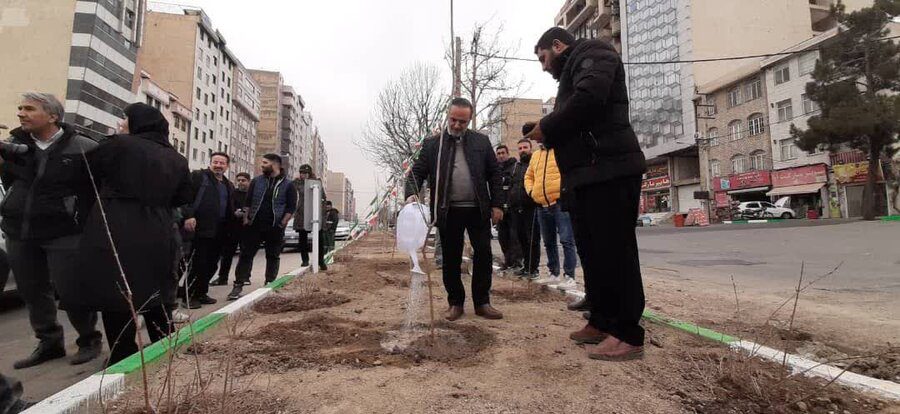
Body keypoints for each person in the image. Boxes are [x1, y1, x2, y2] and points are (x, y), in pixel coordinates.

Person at [526, 27, 648, 361]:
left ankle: (628, 333)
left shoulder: (594, 52)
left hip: (611, 169)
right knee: (593, 252)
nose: (543, 66)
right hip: (587, 174)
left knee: (615, 251)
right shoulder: (574, 68)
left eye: (543, 57)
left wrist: (547, 126)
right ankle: (602, 320)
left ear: (557, 45)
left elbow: (591, 98)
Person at [76, 102, 193, 364]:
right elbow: (183, 196)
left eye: (125, 119)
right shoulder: (177, 158)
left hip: (117, 224)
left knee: (117, 291)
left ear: (137, 123)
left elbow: (83, 173)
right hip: (160, 227)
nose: (121, 124)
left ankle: (122, 352)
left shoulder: (118, 145)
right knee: (158, 289)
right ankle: (164, 344)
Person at [0, 92, 103, 368]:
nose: (21, 113)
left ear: (53, 116)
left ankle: (89, 338)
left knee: (71, 289)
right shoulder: (13, 145)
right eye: (20, 108)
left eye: (29, 109)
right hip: (19, 230)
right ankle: (49, 342)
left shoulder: (83, 147)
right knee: (32, 290)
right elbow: (10, 181)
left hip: (64, 231)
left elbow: (95, 192)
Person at [405, 97, 505, 321]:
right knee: (450, 258)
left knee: (484, 254)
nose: (457, 125)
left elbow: (495, 175)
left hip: (478, 209)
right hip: (447, 211)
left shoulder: (481, 142)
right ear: (447, 116)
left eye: (463, 121)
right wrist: (411, 193)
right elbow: (416, 172)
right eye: (454, 120)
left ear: (470, 120)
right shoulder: (433, 145)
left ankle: (482, 302)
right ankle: (455, 303)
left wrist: (498, 204)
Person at [228, 154, 296, 300]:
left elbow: (291, 207)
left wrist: (282, 223)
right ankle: (238, 285)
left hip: (274, 227)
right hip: (254, 226)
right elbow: (248, 202)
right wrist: (246, 219)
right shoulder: (256, 181)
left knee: (273, 256)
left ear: (275, 164)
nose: (262, 165)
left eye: (265, 162)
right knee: (246, 255)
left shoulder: (288, 185)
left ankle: (270, 284)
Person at [181, 152, 234, 308]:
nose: (218, 165)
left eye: (222, 163)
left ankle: (201, 293)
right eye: (215, 162)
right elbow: (186, 196)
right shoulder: (199, 177)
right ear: (210, 163)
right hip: (201, 228)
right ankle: (189, 296)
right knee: (198, 263)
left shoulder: (227, 184)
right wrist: (188, 215)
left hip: (220, 231)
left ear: (227, 166)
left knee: (211, 264)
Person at [525, 143, 578, 289]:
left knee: (567, 240)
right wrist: (532, 192)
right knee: (548, 242)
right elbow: (528, 176)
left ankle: (569, 276)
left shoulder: (562, 150)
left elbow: (571, 171)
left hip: (560, 203)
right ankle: (553, 273)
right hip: (541, 204)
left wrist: (565, 191)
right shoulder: (536, 155)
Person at [509, 138, 541, 280]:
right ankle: (526, 266)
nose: (522, 150)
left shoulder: (535, 164)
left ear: (530, 148)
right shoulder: (516, 166)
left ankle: (533, 268)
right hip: (517, 208)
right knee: (521, 238)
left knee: (532, 239)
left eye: (525, 147)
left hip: (531, 207)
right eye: (520, 148)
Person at [214, 172, 251, 286]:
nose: (240, 182)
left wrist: (245, 213)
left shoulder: (252, 195)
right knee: (227, 254)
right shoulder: (233, 193)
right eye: (238, 180)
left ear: (248, 181)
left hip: (247, 229)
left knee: (246, 254)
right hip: (232, 228)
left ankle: (244, 277)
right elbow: (228, 207)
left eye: (243, 180)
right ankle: (222, 278)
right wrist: (234, 212)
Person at [494, 144, 522, 272]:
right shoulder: (495, 169)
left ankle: (517, 262)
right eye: (498, 153)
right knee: (503, 236)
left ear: (507, 153)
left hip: (512, 207)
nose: (501, 156)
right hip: (500, 208)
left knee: (514, 235)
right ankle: (507, 261)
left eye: (502, 153)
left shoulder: (515, 167)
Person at [291, 164, 315, 267]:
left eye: (305, 173)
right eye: (301, 173)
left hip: (313, 212)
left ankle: (319, 259)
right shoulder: (297, 183)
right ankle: (305, 260)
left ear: (309, 173)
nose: (303, 175)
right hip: (301, 213)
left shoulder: (315, 183)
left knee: (318, 237)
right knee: (302, 239)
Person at [319, 200, 340, 270]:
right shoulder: (323, 212)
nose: (327, 207)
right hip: (324, 231)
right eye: (326, 206)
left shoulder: (334, 212)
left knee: (330, 245)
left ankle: (331, 258)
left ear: (331, 206)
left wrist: (332, 229)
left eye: (328, 206)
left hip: (330, 231)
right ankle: (324, 259)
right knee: (324, 246)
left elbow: (335, 221)